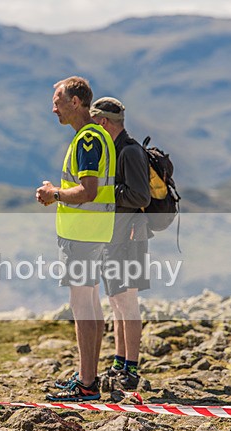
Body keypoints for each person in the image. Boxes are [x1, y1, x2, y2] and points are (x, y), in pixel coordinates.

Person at [36, 77, 116, 402]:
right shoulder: (97, 135)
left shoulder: (87, 139)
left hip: (82, 233)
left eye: (58, 101)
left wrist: (54, 194)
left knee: (82, 306)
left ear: (75, 102)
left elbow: (88, 191)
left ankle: (86, 383)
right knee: (91, 305)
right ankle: (88, 377)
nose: (53, 108)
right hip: (95, 231)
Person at [91, 97, 151, 391]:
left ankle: (131, 368)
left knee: (127, 301)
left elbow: (140, 196)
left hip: (130, 236)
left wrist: (104, 191)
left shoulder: (129, 151)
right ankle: (120, 362)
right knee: (116, 299)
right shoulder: (116, 150)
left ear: (103, 122)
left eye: (95, 123)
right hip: (115, 235)